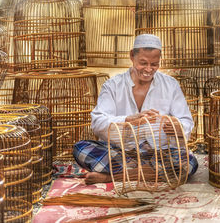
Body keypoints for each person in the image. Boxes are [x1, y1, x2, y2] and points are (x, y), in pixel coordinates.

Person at [73, 34, 198, 184]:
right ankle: (150, 173)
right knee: (81, 149)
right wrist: (128, 120)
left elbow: (186, 122)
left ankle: (112, 177)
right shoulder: (113, 86)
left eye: (154, 64)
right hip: (122, 152)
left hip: (159, 153)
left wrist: (178, 127)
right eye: (143, 63)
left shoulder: (171, 85)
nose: (148, 69)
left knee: (189, 162)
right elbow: (98, 122)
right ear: (132, 56)